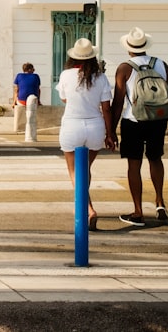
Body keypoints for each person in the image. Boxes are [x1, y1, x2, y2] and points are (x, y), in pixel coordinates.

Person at [109, 27, 168, 227]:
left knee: (134, 164)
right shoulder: (162, 65)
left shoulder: (124, 68)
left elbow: (118, 103)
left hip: (133, 121)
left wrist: (111, 131)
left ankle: (138, 211)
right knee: (155, 159)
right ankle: (159, 201)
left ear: (128, 47)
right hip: (158, 120)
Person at [55, 38, 114, 231]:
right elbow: (106, 108)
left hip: (72, 125)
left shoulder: (65, 75)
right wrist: (110, 133)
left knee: (74, 171)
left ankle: (87, 209)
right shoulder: (101, 78)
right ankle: (85, 206)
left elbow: (64, 98)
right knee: (85, 168)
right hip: (95, 126)